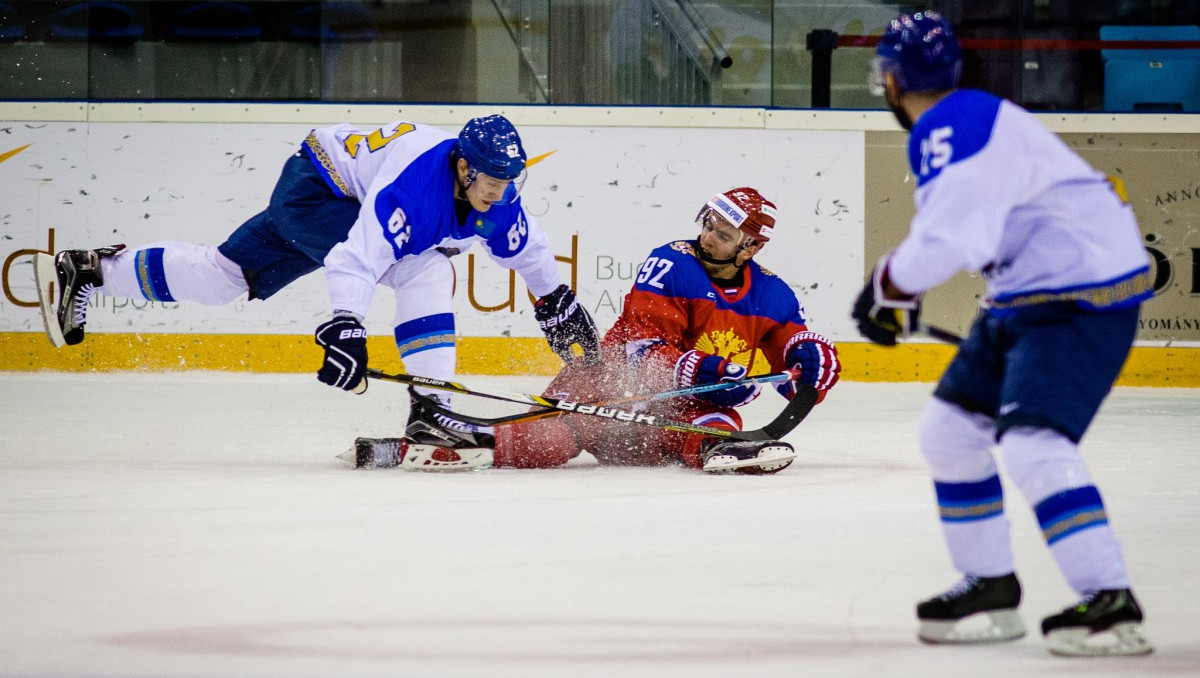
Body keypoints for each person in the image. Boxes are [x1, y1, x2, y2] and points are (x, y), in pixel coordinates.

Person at [851, 12, 1154, 657]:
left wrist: (888, 286)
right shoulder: (969, 117)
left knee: (1034, 445)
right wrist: (895, 286)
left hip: (1079, 301)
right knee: (950, 433)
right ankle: (989, 582)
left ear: (893, 80)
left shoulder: (947, 127)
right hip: (1028, 295)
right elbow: (967, 231)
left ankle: (1110, 599)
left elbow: (949, 240)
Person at [36, 115, 601, 452]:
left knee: (223, 276)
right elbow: (354, 262)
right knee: (428, 267)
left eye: (510, 181)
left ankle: (90, 270)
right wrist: (347, 325)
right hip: (320, 193)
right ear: (461, 167)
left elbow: (530, 248)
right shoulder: (413, 191)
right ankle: (433, 408)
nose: (500, 192)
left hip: (315, 180)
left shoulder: (497, 197)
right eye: (491, 180)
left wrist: (556, 300)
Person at [464, 186, 839, 474]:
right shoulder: (671, 262)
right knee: (550, 441)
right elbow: (638, 354)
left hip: (669, 422)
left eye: (723, 236)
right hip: (605, 393)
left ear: (750, 248)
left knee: (720, 425)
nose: (707, 237)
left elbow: (792, 374)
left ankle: (717, 449)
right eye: (708, 225)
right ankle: (456, 444)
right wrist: (699, 369)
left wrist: (811, 368)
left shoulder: (773, 296)